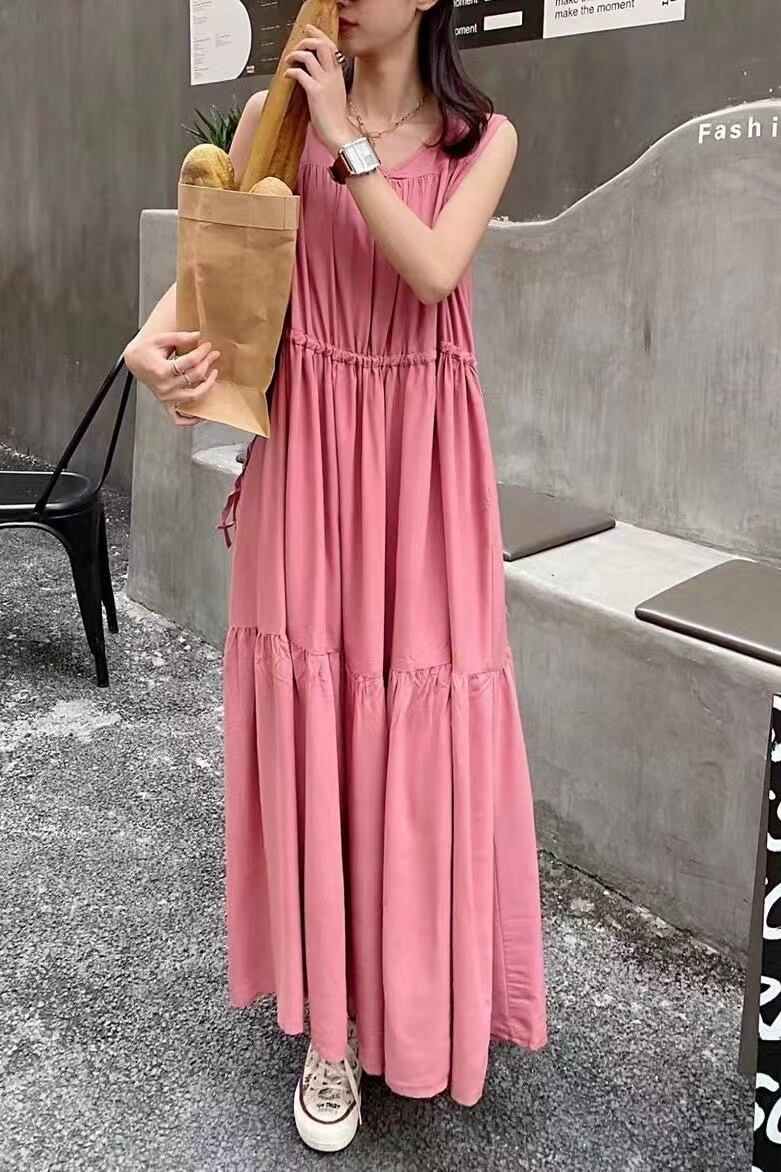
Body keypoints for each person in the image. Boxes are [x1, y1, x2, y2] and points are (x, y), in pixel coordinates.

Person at [124, 0, 547, 1153]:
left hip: (422, 471)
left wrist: (343, 138)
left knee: (419, 729)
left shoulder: (479, 139)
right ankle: (329, 1029)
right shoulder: (276, 121)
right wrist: (154, 341)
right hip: (309, 460)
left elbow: (432, 270)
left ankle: (418, 1003)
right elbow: (214, 275)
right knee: (319, 726)